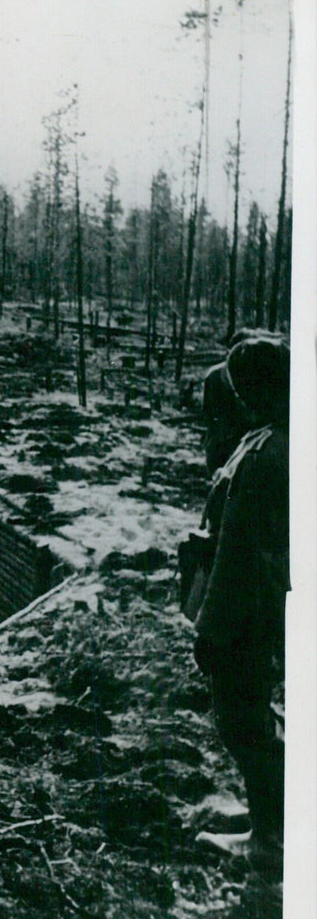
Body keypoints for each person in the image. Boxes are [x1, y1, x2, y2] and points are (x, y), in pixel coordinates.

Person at [193, 336, 289, 880]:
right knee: (257, 719)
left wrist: (211, 631)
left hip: (245, 617)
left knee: (243, 722)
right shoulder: (278, 440)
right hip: (266, 610)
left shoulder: (263, 457)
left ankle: (270, 841)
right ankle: (268, 818)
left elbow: (237, 559)